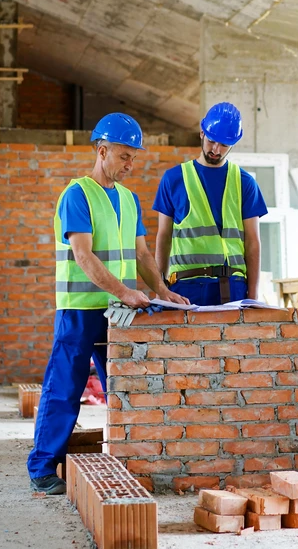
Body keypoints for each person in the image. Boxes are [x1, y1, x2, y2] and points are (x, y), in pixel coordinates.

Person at [27, 113, 189, 495]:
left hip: (118, 313)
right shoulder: (77, 195)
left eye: (134, 157)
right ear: (102, 151)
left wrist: (162, 290)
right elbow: (83, 256)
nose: (130, 164)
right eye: (124, 156)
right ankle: (42, 467)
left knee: (122, 389)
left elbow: (143, 255)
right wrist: (125, 292)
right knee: (64, 389)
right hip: (80, 311)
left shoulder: (130, 200)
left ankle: (125, 462)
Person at [153, 102, 268, 306]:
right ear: (202, 134)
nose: (216, 150)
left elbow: (253, 242)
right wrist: (159, 289)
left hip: (233, 286)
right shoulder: (174, 179)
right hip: (186, 287)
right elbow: (163, 237)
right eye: (212, 141)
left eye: (224, 145)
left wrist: (254, 293)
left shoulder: (245, 182)